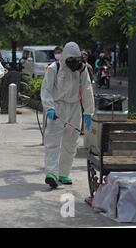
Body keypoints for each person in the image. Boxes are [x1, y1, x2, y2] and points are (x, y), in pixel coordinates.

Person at [41, 42, 94, 188]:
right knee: (53, 141)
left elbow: (87, 89)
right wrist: (49, 107)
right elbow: (46, 89)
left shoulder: (81, 70)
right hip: (57, 107)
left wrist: (88, 112)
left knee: (71, 143)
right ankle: (51, 173)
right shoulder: (54, 68)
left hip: (75, 107)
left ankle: (64, 173)